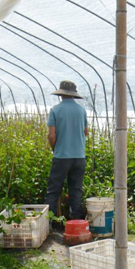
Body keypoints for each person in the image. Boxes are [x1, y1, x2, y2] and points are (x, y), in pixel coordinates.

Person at [45, 80, 88, 220]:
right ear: (74, 95)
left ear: (61, 94)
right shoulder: (82, 110)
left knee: (53, 191)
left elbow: (52, 136)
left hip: (62, 156)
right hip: (79, 157)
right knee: (76, 190)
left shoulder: (55, 110)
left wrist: (55, 149)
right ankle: (76, 221)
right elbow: (86, 132)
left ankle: (50, 222)